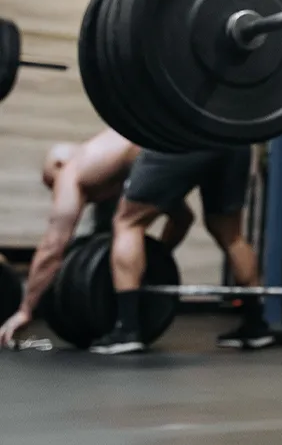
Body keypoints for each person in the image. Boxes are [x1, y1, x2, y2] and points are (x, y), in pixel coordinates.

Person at [0, 128, 193, 348]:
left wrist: (25, 310)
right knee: (197, 224)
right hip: (181, 144)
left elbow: (52, 249)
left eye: (53, 183)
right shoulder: (108, 164)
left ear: (58, 166)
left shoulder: (71, 172)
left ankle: (128, 328)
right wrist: (156, 259)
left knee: (126, 225)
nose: (57, 190)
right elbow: (183, 219)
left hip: (162, 147)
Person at [90, 143, 273, 355]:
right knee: (231, 235)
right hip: (233, 140)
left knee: (128, 221)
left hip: (182, 138)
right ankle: (256, 325)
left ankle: (127, 329)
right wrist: (160, 257)